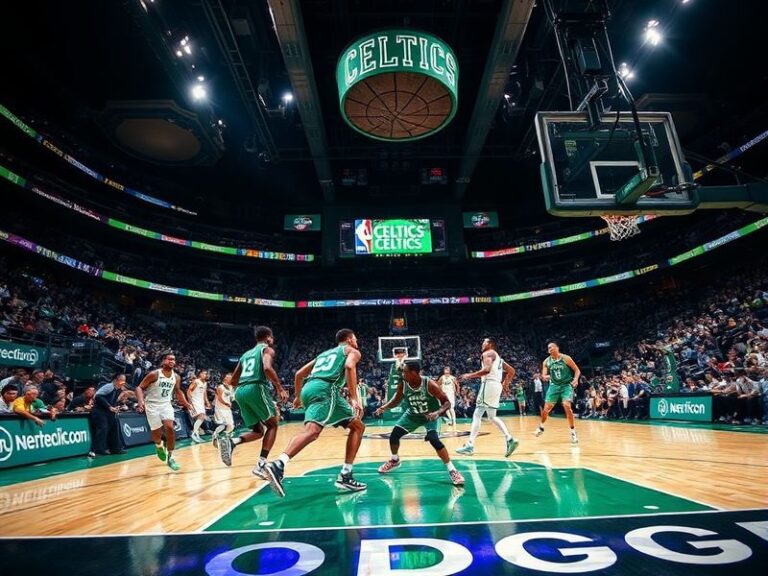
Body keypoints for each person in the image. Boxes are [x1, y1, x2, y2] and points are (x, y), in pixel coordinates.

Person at [263, 329, 366, 497]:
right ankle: (278, 464)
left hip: (309, 388)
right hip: (327, 389)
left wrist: (298, 397)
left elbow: (299, 374)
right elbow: (349, 366)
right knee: (312, 432)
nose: (357, 342)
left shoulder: (324, 355)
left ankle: (346, 475)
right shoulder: (352, 351)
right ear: (348, 339)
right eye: (355, 339)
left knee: (357, 426)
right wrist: (354, 397)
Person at [375, 360, 465, 486]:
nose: (403, 375)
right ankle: (394, 460)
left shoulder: (429, 384)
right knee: (394, 435)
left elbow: (447, 402)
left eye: (405, 372)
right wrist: (384, 407)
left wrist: (437, 413)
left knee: (434, 440)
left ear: (414, 373)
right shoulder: (404, 384)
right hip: (412, 415)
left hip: (430, 416)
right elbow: (396, 400)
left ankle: (453, 470)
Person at [219, 326, 289, 474]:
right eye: (272, 338)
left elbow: (234, 379)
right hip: (256, 387)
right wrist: (280, 388)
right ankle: (261, 465)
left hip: (240, 391)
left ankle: (232, 442)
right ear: (268, 338)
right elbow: (268, 368)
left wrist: (245, 388)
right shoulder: (267, 349)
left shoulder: (245, 354)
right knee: (273, 425)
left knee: (258, 430)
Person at [456, 337, 519, 457]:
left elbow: (486, 370)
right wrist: (505, 384)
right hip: (496, 386)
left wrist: (469, 375)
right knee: (492, 417)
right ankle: (510, 439)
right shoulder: (499, 358)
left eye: (484, 342)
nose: (481, 344)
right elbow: (512, 371)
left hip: (489, 384)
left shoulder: (487, 353)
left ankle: (470, 445)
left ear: (490, 344)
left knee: (477, 414)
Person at [135, 352, 192, 471]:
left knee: (170, 428)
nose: (172, 361)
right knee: (157, 434)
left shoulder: (176, 377)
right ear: (163, 361)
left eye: (174, 360)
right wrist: (141, 402)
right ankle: (159, 445)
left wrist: (186, 403)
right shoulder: (154, 374)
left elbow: (178, 391)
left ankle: (170, 457)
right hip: (152, 405)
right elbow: (139, 387)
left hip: (166, 405)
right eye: (169, 359)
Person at [534, 341, 581, 444]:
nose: (549, 349)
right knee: (546, 409)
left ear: (557, 348)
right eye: (548, 348)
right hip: (554, 387)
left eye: (551, 347)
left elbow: (577, 370)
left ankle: (573, 432)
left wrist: (576, 379)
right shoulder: (546, 361)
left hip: (566, 386)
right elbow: (544, 375)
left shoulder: (566, 358)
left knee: (566, 405)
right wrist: (545, 377)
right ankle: (541, 427)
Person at [91, 374, 128, 455]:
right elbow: (98, 397)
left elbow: (112, 401)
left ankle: (116, 448)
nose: (123, 383)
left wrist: (116, 407)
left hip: (108, 412)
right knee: (103, 428)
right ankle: (99, 449)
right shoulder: (109, 386)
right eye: (122, 381)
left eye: (124, 381)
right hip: (99, 411)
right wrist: (109, 407)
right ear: (115, 380)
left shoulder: (117, 390)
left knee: (115, 427)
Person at [186, 369, 211, 443]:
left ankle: (196, 434)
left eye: (206, 374)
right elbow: (188, 391)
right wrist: (190, 402)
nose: (206, 375)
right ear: (200, 374)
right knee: (202, 416)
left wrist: (207, 402)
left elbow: (204, 394)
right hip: (195, 401)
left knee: (200, 418)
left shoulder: (205, 383)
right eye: (204, 373)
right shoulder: (196, 381)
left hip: (201, 402)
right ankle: (194, 433)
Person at [212, 373, 235, 447]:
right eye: (229, 378)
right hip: (220, 408)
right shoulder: (220, 387)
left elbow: (232, 397)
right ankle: (215, 434)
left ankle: (227, 438)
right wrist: (226, 403)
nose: (230, 379)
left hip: (227, 409)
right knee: (224, 424)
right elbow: (219, 398)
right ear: (225, 379)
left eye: (231, 378)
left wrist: (231, 400)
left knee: (231, 425)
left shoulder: (231, 387)